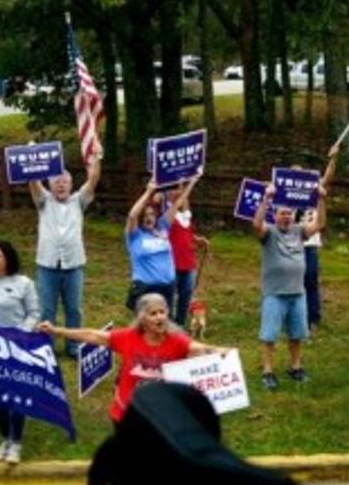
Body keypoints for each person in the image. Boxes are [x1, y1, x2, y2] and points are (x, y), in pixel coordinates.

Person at [40, 293, 233, 425]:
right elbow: (93, 335)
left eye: (162, 312)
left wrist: (218, 351)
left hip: (161, 417)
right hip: (126, 414)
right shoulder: (127, 338)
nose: (159, 317)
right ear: (142, 318)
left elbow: (198, 348)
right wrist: (57, 331)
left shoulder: (176, 341)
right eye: (153, 313)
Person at [252, 178, 327, 389]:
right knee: (269, 335)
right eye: (282, 213)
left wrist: (321, 199)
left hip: (297, 293)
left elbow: (319, 223)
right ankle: (267, 371)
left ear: (294, 215)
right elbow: (256, 225)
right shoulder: (269, 233)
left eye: (289, 214)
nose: (286, 217)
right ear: (275, 215)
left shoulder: (299, 231)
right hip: (274, 293)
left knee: (297, 334)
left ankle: (295, 367)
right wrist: (266, 199)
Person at [30, 153, 101, 358]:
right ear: (49, 184)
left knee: (74, 309)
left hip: (74, 265)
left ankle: (73, 347)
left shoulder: (79, 200)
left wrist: (96, 157)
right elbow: (33, 183)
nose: (60, 185)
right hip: (47, 265)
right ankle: (46, 348)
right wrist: (31, 157)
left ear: (71, 185)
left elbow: (93, 179)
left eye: (64, 182)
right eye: (56, 181)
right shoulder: (43, 201)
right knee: (47, 310)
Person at [0, 240, 41, 464]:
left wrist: (20, 336)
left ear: (7, 257)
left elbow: (34, 313)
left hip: (18, 347)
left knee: (17, 396)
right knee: (0, 398)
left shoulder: (24, 283)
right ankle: (4, 440)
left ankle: (16, 443)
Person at [301, 145, 340, 337]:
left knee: (310, 280)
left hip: (310, 243)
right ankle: (296, 317)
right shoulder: (283, 194)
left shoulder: (314, 188)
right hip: (290, 244)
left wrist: (333, 159)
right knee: (293, 281)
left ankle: (313, 318)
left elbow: (328, 178)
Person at [165, 172, 210, 328]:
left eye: (180, 189)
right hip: (172, 262)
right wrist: (191, 183)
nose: (178, 192)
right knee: (170, 298)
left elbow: (186, 231)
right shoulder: (166, 213)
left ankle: (180, 327)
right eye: (174, 189)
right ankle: (168, 328)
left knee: (185, 297)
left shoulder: (184, 215)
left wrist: (196, 239)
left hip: (188, 262)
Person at [125, 180, 177, 312]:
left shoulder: (163, 227)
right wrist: (149, 192)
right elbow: (132, 216)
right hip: (147, 289)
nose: (149, 218)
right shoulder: (135, 235)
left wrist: (192, 182)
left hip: (167, 287)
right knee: (146, 327)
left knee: (165, 326)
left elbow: (177, 204)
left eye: (152, 214)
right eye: (145, 215)